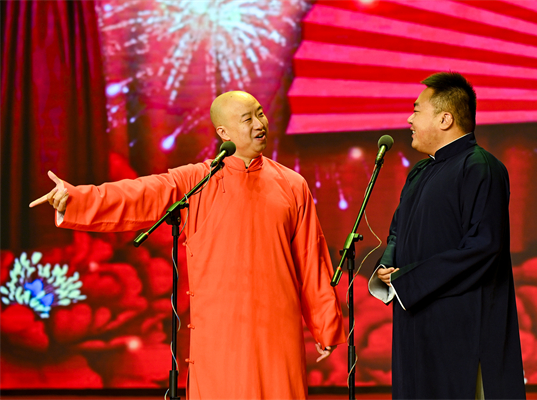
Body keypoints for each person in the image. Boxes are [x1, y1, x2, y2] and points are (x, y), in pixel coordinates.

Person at [30, 91, 345, 399]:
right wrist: (75, 198)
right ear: (223, 132)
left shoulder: (292, 185)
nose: (259, 124)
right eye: (247, 119)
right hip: (220, 327)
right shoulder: (197, 181)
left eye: (260, 114)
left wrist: (325, 324)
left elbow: (311, 258)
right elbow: (138, 195)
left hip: (277, 326)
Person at [368, 72, 525, 399]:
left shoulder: (480, 167)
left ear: (445, 119)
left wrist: (409, 280)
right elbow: (397, 231)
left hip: (461, 323)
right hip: (416, 318)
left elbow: (484, 247)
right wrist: (388, 268)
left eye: (416, 110)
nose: (409, 119)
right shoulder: (420, 171)